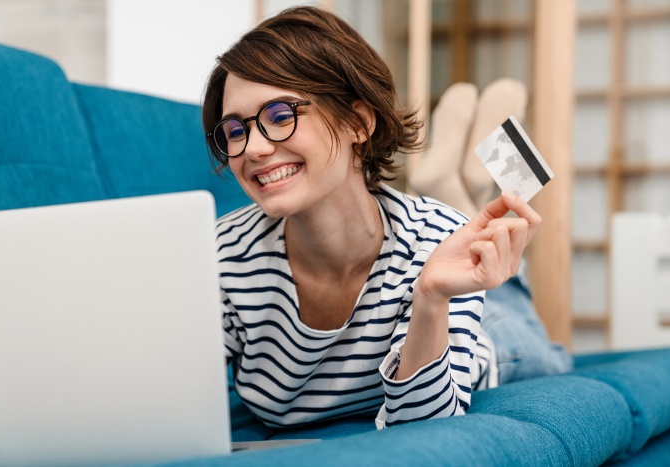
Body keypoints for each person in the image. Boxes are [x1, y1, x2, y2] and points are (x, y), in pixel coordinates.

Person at [202, 6, 568, 430]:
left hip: (483, 331)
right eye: (235, 130)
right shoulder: (220, 255)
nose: (253, 149)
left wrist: (431, 297)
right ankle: (450, 185)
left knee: (546, 355)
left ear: (358, 122)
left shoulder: (434, 237)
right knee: (452, 236)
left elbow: (427, 427)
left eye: (280, 117)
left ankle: (457, 191)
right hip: (419, 248)